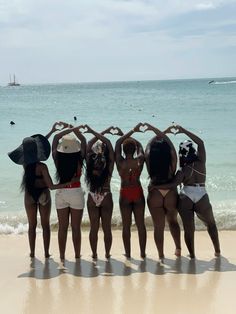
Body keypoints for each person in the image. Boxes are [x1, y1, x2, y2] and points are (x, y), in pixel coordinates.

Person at [159, 125, 221, 258]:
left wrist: (156, 187)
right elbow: (201, 142)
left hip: (186, 196)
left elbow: (174, 184)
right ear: (192, 150)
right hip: (201, 194)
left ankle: (192, 254)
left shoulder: (183, 170)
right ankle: (217, 251)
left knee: (189, 228)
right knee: (211, 224)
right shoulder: (201, 162)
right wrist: (183, 131)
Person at [8, 123, 67, 258]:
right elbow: (51, 186)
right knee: (45, 226)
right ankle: (46, 253)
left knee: (32, 226)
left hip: (29, 195)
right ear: (36, 150)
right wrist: (66, 183)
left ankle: (32, 252)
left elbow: (34, 151)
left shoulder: (25, 164)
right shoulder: (42, 167)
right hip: (43, 195)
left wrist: (51, 131)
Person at [144, 123, 181, 260]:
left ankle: (161, 254)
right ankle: (178, 249)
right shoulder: (171, 161)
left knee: (158, 227)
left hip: (155, 192)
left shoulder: (149, 158)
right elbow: (172, 148)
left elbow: (148, 145)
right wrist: (163, 132)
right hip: (170, 191)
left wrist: (155, 132)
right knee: (173, 221)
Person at [52, 122, 86, 262]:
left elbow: (55, 139)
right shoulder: (79, 158)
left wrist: (67, 129)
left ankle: (62, 256)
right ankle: (77, 255)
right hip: (76, 191)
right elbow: (83, 140)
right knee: (76, 227)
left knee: (62, 228)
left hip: (61, 192)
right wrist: (75, 129)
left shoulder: (57, 158)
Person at [84, 125, 117, 259]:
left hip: (92, 196)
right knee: (107, 229)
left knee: (94, 228)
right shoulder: (108, 165)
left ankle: (94, 253)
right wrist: (103, 132)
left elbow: (88, 144)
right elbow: (109, 143)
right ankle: (107, 253)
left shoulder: (90, 165)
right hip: (106, 194)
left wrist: (93, 132)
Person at [115, 123, 147, 258]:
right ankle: (142, 253)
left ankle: (128, 253)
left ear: (123, 150)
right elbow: (140, 148)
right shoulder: (139, 161)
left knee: (126, 226)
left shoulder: (120, 163)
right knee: (141, 225)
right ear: (134, 150)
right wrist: (134, 134)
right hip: (138, 192)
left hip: (125, 193)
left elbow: (117, 144)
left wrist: (126, 134)